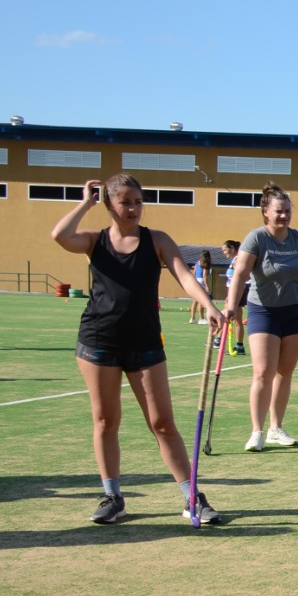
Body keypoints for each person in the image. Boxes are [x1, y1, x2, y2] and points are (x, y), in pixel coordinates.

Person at [49, 174, 223, 525]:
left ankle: (192, 497)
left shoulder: (156, 240)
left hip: (145, 342)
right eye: (125, 202)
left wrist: (208, 304)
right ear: (110, 204)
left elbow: (184, 275)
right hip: (99, 341)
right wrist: (85, 202)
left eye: (138, 202)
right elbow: (59, 235)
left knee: (162, 423)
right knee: (105, 420)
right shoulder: (94, 240)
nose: (133, 208)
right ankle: (113, 496)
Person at [224, 184, 298, 451]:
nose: (284, 216)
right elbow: (241, 275)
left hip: (295, 312)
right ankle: (257, 431)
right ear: (266, 212)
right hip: (263, 311)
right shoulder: (256, 239)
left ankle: (276, 428)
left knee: (284, 373)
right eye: (279, 211)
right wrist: (230, 305)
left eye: (287, 211)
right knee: (263, 372)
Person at [222, 248, 246, 357]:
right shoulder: (234, 260)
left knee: (236, 320)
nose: (224, 253)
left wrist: (231, 296)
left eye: (225, 250)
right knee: (227, 316)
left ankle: (240, 346)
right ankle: (218, 339)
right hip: (232, 293)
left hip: (236, 293)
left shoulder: (238, 260)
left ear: (232, 248)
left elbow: (237, 279)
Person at [187, 249, 212, 325]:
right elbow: (204, 276)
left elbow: (194, 273)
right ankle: (201, 319)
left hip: (196, 280)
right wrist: (207, 286)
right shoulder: (205, 263)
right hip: (201, 281)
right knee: (201, 300)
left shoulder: (197, 263)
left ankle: (192, 318)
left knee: (195, 301)